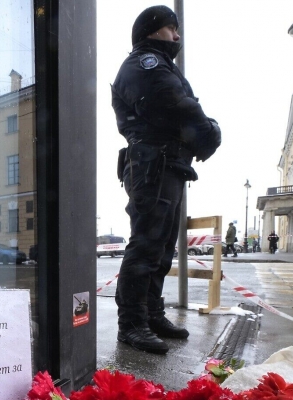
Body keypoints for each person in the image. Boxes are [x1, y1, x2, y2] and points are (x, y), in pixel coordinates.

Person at [112, 5, 221, 354]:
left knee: (160, 248)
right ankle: (132, 324)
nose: (177, 36)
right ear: (151, 30)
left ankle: (152, 314)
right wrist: (210, 132)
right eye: (170, 29)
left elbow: (182, 106)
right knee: (145, 246)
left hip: (166, 165)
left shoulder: (159, 65)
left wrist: (203, 132)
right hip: (152, 164)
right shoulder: (144, 64)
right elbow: (177, 106)